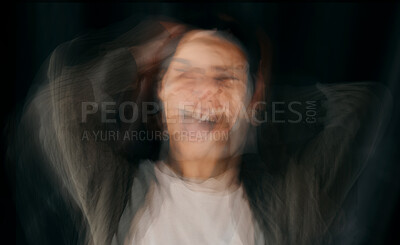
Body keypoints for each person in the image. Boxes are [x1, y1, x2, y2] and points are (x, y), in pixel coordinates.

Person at [10, 15, 390, 245]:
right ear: (160, 101)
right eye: (186, 75)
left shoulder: (290, 203)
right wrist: (135, 57)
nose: (206, 91)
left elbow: (362, 112)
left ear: (251, 101)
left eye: (225, 78)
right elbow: (52, 113)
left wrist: (265, 107)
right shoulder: (113, 191)